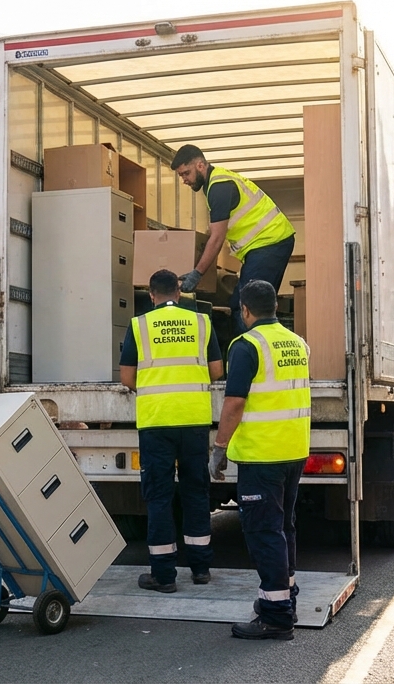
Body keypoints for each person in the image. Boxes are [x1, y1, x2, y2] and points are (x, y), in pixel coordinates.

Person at [208, 280, 310, 641]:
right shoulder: (297, 343)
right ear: (277, 307)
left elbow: (234, 402)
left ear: (245, 310)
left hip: (262, 455)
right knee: (284, 529)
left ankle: (277, 616)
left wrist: (219, 447)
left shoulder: (247, 345)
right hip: (293, 450)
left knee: (265, 532)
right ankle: (283, 597)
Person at [119, 269, 224, 593]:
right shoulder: (202, 322)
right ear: (179, 293)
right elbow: (217, 371)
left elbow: (127, 377)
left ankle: (163, 575)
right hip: (193, 420)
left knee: (159, 497)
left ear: (151, 295)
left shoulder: (140, 325)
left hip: (156, 421)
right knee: (196, 492)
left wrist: (154, 388)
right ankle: (201, 568)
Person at [171, 144, 296, 334]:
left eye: (186, 173)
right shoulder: (216, 182)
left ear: (200, 165)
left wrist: (198, 272)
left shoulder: (219, 187)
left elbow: (217, 237)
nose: (184, 180)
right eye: (181, 176)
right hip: (269, 244)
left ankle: (248, 358)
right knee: (251, 304)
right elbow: (214, 230)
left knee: (247, 307)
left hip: (269, 243)